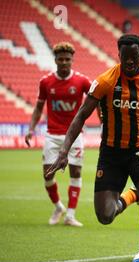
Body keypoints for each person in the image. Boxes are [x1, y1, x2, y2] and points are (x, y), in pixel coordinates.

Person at [45, 34, 139, 251]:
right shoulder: (106, 81)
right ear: (119, 55)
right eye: (125, 57)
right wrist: (63, 152)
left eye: (134, 57)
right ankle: (132, 194)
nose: (130, 62)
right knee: (105, 216)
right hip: (111, 154)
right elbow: (80, 116)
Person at [25, 42, 92, 227]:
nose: (64, 62)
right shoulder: (46, 82)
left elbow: (97, 100)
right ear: (55, 60)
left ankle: (70, 215)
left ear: (72, 60)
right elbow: (39, 108)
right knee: (48, 174)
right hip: (52, 135)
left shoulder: (82, 81)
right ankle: (58, 207)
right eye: (60, 59)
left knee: (76, 172)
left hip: (75, 135)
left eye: (67, 59)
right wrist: (31, 129)